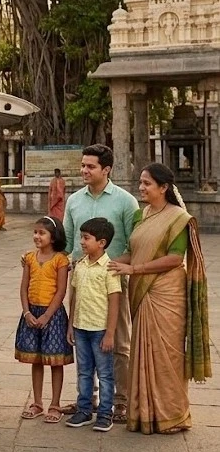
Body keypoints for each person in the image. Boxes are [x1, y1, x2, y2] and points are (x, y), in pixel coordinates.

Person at [107, 163, 211, 434]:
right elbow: (132, 251)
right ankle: (145, 414)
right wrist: (101, 264)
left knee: (167, 356)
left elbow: (176, 258)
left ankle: (173, 415)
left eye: (147, 183)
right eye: (140, 182)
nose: (141, 187)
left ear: (164, 187)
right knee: (143, 351)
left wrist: (135, 270)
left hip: (167, 294)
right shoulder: (142, 215)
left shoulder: (179, 217)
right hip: (142, 292)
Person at [62, 144, 138, 422]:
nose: (84, 170)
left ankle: (121, 401)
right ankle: (88, 400)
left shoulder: (125, 201)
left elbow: (135, 244)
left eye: (90, 166)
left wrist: (116, 267)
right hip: (82, 282)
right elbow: (69, 245)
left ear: (106, 169)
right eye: (83, 165)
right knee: (83, 341)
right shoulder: (74, 201)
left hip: (114, 281)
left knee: (118, 343)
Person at [65, 217, 122, 432]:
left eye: (86, 238)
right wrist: (71, 325)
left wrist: (110, 333)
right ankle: (84, 410)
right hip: (81, 327)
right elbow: (74, 295)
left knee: (105, 373)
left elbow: (114, 301)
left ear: (102, 242)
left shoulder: (109, 268)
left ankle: (106, 413)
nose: (81, 242)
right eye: (81, 237)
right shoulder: (80, 265)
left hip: (100, 330)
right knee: (84, 371)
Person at [15, 216, 73, 424]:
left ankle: (55, 404)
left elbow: (61, 291)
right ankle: (37, 402)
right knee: (36, 360)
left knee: (55, 361)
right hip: (31, 313)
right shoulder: (29, 258)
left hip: (53, 315)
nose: (37, 236)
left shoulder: (61, 260)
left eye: (42, 233)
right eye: (35, 232)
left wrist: (47, 315)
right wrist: (27, 313)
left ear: (53, 237)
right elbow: (23, 287)